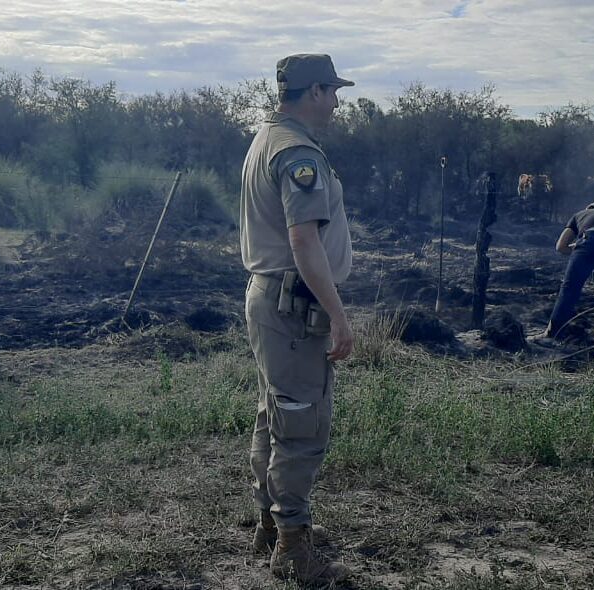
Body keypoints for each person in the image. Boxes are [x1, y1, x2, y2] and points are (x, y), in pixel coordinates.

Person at [239, 53, 354, 585]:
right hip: (293, 307)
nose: (336, 100)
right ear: (312, 93)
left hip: (273, 301)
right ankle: (292, 546)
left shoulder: (268, 138)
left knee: (277, 415)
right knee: (301, 426)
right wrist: (338, 314)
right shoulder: (295, 151)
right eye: (331, 91)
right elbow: (303, 239)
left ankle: (271, 524)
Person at [530, 202, 594, 344]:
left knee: (570, 287)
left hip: (591, 239)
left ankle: (552, 333)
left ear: (588, 209)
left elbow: (560, 247)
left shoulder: (580, 214)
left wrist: (578, 247)